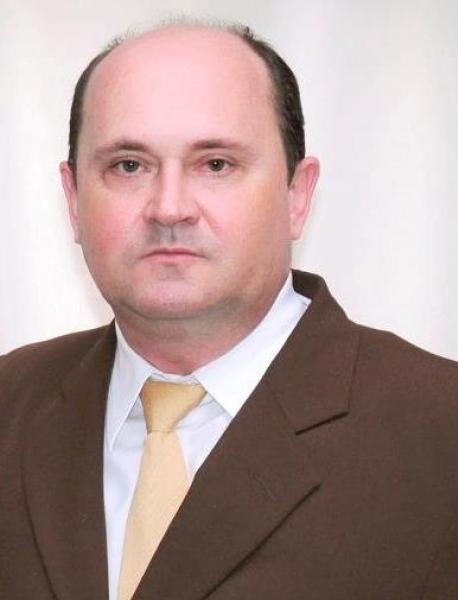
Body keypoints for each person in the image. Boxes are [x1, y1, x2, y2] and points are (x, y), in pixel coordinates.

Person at [1, 20, 458, 600]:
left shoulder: (440, 432)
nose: (169, 208)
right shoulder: (10, 406)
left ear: (298, 194)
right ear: (72, 200)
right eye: (128, 166)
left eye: (216, 164)